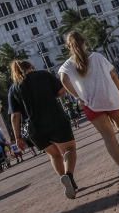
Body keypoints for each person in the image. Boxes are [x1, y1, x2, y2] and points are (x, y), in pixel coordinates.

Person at [59, 31, 119, 178]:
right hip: (110, 97)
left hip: (90, 104)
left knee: (108, 136)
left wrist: (78, 96)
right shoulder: (97, 57)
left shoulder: (67, 65)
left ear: (68, 47)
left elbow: (64, 80)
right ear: (84, 42)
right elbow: (114, 75)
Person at [8, 60, 79, 198]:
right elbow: (61, 91)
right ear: (31, 67)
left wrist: (17, 137)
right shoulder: (43, 75)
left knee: (54, 155)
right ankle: (69, 177)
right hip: (56, 119)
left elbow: (15, 116)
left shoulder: (13, 88)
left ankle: (68, 181)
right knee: (69, 149)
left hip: (35, 129)